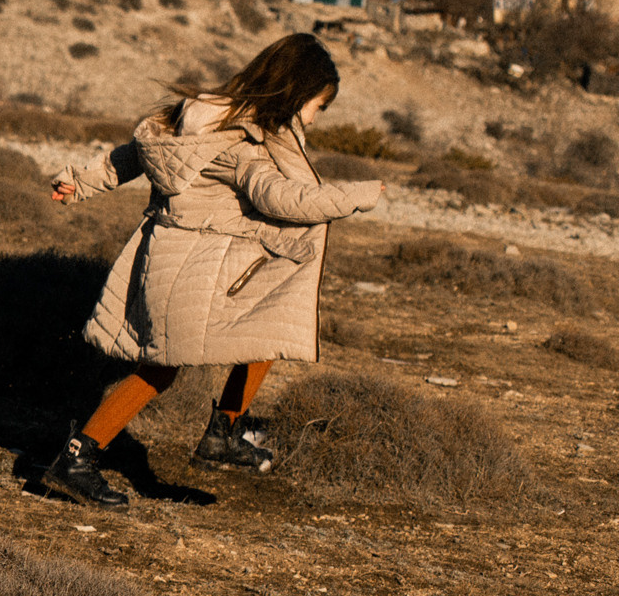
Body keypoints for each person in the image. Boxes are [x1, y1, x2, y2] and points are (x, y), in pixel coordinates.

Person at [41, 32, 384, 508]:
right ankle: (77, 460)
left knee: (267, 321)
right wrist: (356, 196)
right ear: (298, 91)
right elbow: (276, 197)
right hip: (198, 266)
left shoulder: (196, 114)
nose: (315, 117)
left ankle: (222, 430)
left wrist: (80, 182)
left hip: (169, 255)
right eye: (319, 106)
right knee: (158, 371)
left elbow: (136, 154)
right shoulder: (244, 141)